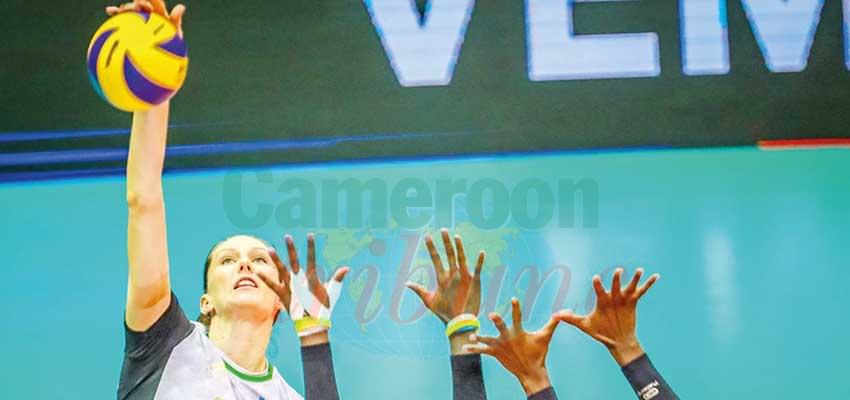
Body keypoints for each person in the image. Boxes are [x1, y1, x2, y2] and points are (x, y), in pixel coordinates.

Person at [114, 1, 346, 398]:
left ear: (280, 301)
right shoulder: (166, 346)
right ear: (206, 300)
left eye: (259, 260)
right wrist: (158, 81)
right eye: (227, 260)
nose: (244, 264)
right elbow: (143, 198)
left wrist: (312, 334)